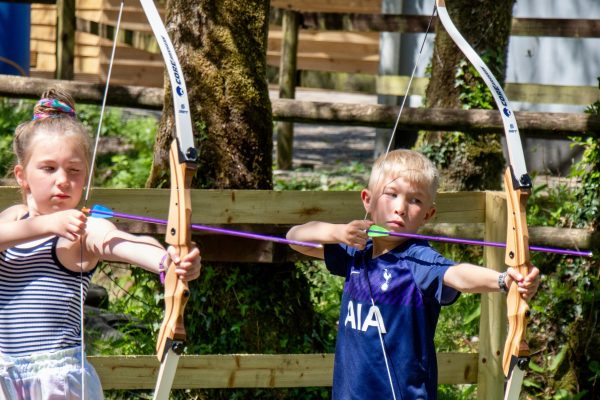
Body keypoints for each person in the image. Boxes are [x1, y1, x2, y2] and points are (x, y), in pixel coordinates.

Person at [286, 149, 540, 400]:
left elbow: (457, 275)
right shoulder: (356, 251)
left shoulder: (418, 260)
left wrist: (504, 280)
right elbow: (295, 238)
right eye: (391, 194)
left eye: (415, 200)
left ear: (429, 214)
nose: (400, 208)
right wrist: (337, 233)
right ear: (367, 200)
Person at [0, 88, 201, 399]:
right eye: (48, 168)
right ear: (22, 175)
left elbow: (122, 242)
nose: (62, 180)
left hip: (57, 385)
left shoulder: (84, 230)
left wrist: (169, 261)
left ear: (86, 177)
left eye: (74, 170)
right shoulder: (13, 218)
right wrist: (45, 224)